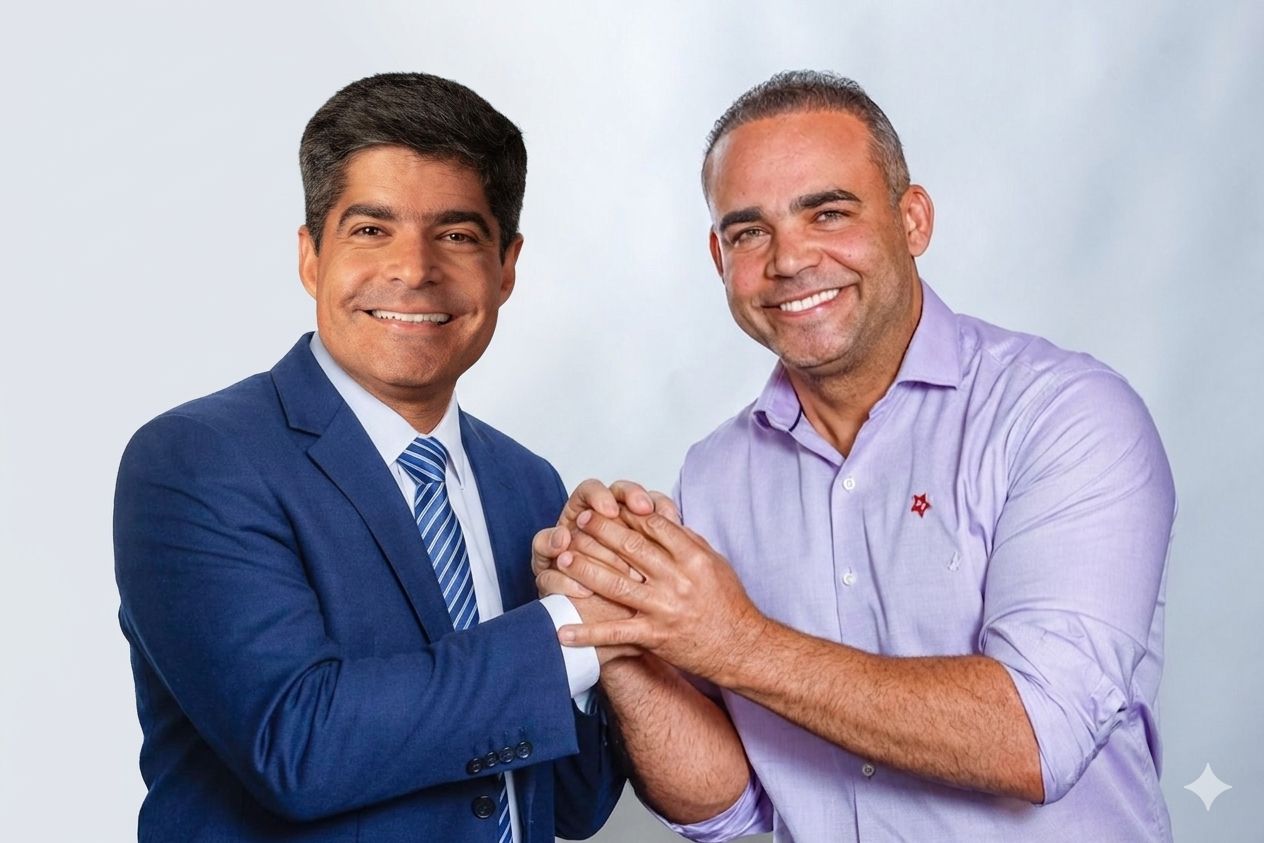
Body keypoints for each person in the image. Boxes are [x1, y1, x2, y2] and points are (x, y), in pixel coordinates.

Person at [535, 71, 1175, 841]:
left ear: (913, 219)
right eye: (749, 232)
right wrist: (621, 632)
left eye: (828, 213)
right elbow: (728, 809)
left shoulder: (1064, 415)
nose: (789, 259)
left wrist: (732, 640)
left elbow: (1039, 732)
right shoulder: (714, 475)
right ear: (718, 256)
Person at [113, 72, 622, 842]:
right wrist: (572, 629)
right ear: (310, 256)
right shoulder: (195, 463)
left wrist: (626, 612)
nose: (413, 269)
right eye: (371, 230)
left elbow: (574, 805)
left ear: (506, 267)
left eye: (457, 235)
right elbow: (297, 744)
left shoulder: (527, 482)